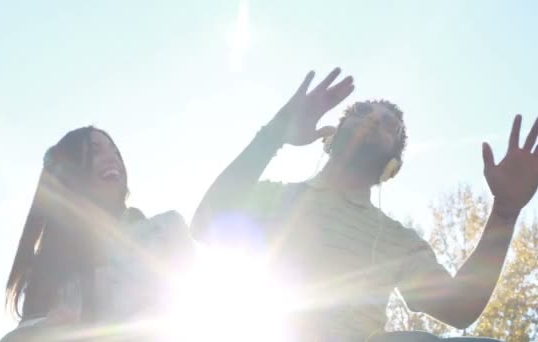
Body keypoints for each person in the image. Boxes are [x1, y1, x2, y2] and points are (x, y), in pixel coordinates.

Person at [191, 66, 538, 341]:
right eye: (360, 112)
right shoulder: (274, 198)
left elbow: (460, 308)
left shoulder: (398, 240)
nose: (373, 119)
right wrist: (275, 132)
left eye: (389, 125)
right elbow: (206, 223)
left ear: (392, 166)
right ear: (328, 138)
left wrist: (505, 214)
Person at [0, 126, 195, 341]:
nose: (111, 158)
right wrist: (49, 329)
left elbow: (188, 309)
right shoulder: (50, 270)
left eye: (114, 151)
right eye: (95, 151)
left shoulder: (165, 229)